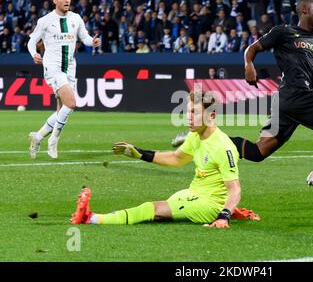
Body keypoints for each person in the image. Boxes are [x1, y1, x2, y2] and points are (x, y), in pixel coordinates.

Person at [172, 0, 313, 195]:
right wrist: (249, 65)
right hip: (296, 94)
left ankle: (200, 137)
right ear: (304, 9)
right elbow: (253, 48)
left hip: (287, 101)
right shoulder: (284, 32)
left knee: (258, 152)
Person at [71, 90, 260, 226]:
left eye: (194, 112)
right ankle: (234, 211)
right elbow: (176, 158)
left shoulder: (223, 146)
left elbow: (234, 189)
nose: (188, 117)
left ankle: (91, 218)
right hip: (193, 193)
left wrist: (223, 216)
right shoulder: (195, 136)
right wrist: (140, 154)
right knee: (167, 205)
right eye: (188, 111)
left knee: (152, 209)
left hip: (208, 204)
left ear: (211, 116)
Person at [27, 0, 101, 159]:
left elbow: (85, 38)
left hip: (70, 68)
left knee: (63, 109)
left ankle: (38, 137)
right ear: (55, 1)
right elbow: (31, 41)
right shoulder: (45, 20)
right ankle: (53, 140)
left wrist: (93, 42)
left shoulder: (76, 18)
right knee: (71, 103)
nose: (67, 0)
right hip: (52, 67)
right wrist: (34, 54)